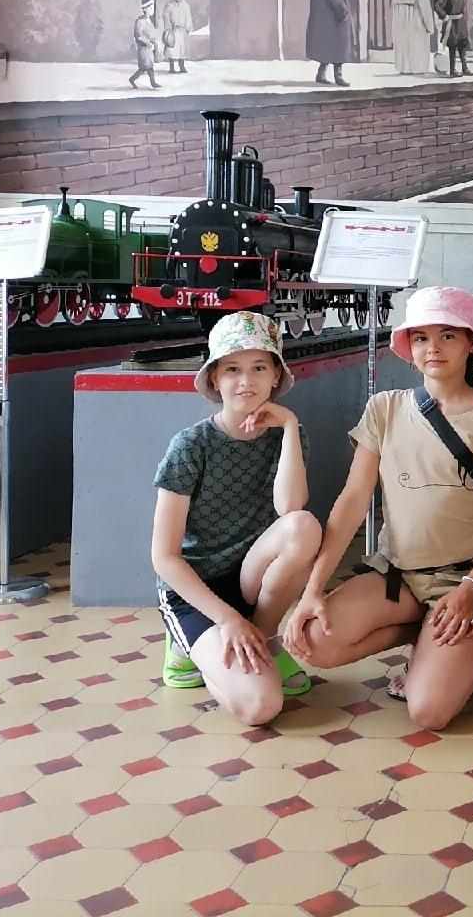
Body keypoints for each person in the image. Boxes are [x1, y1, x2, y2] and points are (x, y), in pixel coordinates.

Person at [283, 287, 473, 731]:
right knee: (314, 643)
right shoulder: (385, 409)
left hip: (463, 581)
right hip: (397, 578)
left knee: (429, 711)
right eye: (421, 337)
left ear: (471, 344)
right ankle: (425, 634)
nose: (433, 348)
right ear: (409, 347)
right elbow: (352, 501)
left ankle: (452, 649)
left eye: (448, 335)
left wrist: (472, 587)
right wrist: (312, 590)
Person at [150, 312, 319, 727]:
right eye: (232, 369)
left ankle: (262, 638)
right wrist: (226, 619)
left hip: (248, 580)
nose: (246, 381)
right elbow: (164, 557)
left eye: (259, 367)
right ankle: (188, 646)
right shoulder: (190, 446)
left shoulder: (288, 435)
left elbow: (290, 509)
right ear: (214, 378)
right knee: (260, 705)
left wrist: (289, 425)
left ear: (276, 375)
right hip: (196, 590)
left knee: (303, 527)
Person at [306, 0, 354, 87]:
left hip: (324, 19)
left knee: (326, 48)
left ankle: (321, 75)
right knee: (338, 48)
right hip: (334, 19)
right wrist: (343, 12)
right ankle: (338, 77)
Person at [391, 0, 435, 76]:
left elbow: (394, 12)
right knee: (416, 47)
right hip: (417, 28)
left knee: (404, 47)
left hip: (401, 28)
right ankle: (417, 68)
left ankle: (403, 68)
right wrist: (430, 28)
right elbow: (426, 13)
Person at [433, 0, 473, 78]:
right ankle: (452, 69)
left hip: (461, 23)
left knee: (463, 46)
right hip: (452, 24)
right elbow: (437, 4)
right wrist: (444, 15)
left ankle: (465, 68)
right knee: (452, 46)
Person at [127, 0, 161, 89]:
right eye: (150, 8)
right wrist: (148, 42)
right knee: (146, 66)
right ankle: (151, 83)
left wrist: (154, 42)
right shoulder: (141, 21)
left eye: (152, 8)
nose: (152, 10)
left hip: (148, 48)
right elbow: (139, 35)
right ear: (145, 10)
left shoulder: (147, 20)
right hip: (143, 47)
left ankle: (135, 80)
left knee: (147, 66)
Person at [161, 0, 192, 74]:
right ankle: (172, 67)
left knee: (182, 50)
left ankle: (182, 67)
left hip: (182, 31)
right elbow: (165, 16)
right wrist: (168, 27)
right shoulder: (169, 5)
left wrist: (188, 27)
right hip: (173, 30)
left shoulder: (186, 5)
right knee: (172, 49)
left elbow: (188, 17)